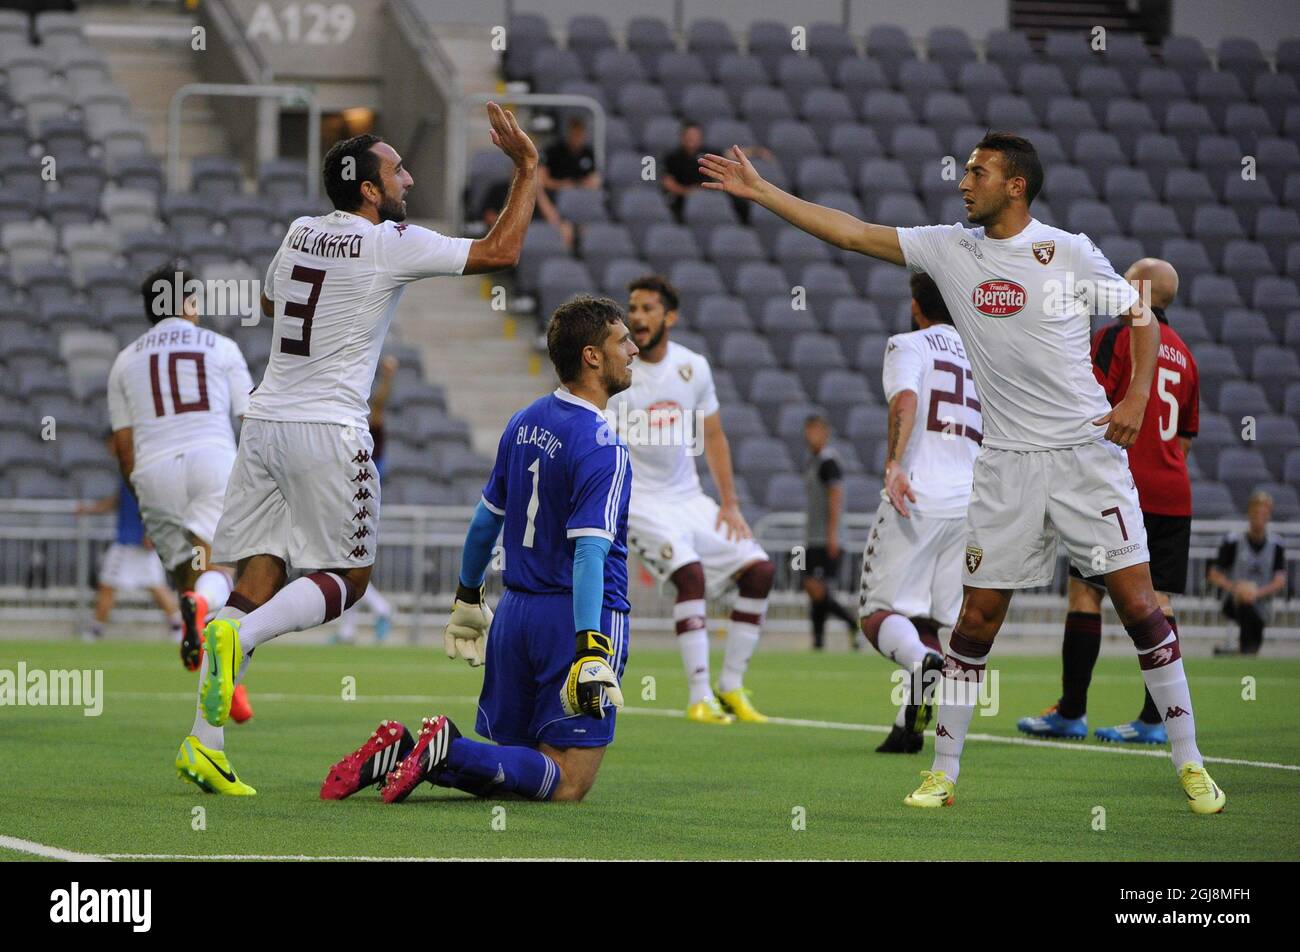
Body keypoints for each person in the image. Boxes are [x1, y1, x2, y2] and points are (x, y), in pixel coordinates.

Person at [699, 131, 1225, 814]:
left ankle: (1190, 762)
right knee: (975, 621)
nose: (962, 183)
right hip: (1004, 464)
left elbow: (1141, 310)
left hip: (1083, 457)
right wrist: (765, 194)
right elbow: (854, 234)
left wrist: (1131, 395)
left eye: (977, 172)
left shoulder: (1066, 250)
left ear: (1015, 185)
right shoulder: (951, 248)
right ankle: (943, 771)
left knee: (1140, 605)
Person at [174, 104, 539, 797]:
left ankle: (204, 742)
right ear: (370, 191)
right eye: (396, 169)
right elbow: (501, 252)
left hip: (265, 420)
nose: (406, 177)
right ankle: (239, 642)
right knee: (350, 581)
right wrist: (526, 168)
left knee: (254, 582)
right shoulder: (391, 241)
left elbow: (276, 302)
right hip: (327, 430)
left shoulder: (300, 231)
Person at [321, 296, 637, 803]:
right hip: (575, 617)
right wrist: (590, 647)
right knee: (567, 783)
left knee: (519, 770)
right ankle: (446, 749)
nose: (634, 349)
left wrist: (467, 597)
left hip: (514, 614)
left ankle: (405, 753)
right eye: (623, 340)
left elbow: (485, 518)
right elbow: (589, 554)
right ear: (592, 356)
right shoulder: (604, 445)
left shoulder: (524, 422)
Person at [1018, 258, 1198, 744]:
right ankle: (1156, 721)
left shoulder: (1118, 337)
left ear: (1137, 288)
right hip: (1173, 492)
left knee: (1085, 594)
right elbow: (1183, 438)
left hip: (1121, 488)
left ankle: (1071, 711)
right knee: (1159, 601)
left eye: (1125, 277)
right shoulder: (1185, 354)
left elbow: (1087, 402)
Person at [606, 275, 776, 725]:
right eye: (632, 309)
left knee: (760, 571)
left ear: (670, 317)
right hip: (640, 503)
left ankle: (731, 686)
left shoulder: (693, 367)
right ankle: (699, 696)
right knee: (691, 575)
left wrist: (730, 503)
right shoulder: (617, 372)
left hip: (689, 498)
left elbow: (715, 435)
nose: (637, 318)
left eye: (647, 309)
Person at [107, 264, 248, 689]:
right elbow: (250, 417)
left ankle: (225, 685)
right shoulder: (222, 348)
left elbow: (123, 447)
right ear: (186, 303)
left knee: (188, 570)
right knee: (218, 570)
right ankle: (202, 609)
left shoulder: (124, 361)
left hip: (153, 472)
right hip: (211, 461)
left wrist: (144, 497)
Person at [859, 272, 981, 754]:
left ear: (916, 306)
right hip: (970, 499)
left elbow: (905, 399)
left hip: (918, 494)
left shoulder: (908, 344)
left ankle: (918, 663)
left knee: (877, 612)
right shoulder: (980, 358)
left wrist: (894, 462)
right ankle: (906, 727)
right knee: (930, 616)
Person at [76, 435, 182, 644]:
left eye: (111, 441)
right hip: (135, 539)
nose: (108, 447)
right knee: (155, 585)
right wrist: (89, 510)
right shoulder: (129, 468)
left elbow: (153, 500)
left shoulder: (136, 469)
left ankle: (95, 631)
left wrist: (149, 531)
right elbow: (116, 501)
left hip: (131, 540)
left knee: (107, 583)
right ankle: (180, 627)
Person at [335, 355, 397, 644]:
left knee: (345, 567)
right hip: (349, 503)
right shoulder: (348, 433)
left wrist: (387, 378)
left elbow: (380, 407)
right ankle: (351, 627)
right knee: (344, 568)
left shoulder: (368, 432)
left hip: (361, 505)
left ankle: (379, 610)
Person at [800, 414, 857, 651]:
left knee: (816, 587)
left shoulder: (828, 462)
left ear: (826, 433)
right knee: (814, 590)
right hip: (813, 536)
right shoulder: (812, 461)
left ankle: (853, 624)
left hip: (826, 537)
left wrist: (833, 535)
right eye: (808, 430)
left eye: (815, 430)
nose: (810, 435)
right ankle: (818, 641)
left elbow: (835, 498)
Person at [1208, 490, 1286, 656]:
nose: (1259, 517)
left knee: (1250, 606)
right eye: (1256, 512)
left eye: (1264, 513)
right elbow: (1214, 574)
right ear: (1249, 513)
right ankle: (1248, 650)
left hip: (1261, 601)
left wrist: (1256, 592)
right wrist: (1238, 589)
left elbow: (1280, 580)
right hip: (1233, 600)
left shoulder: (1276, 545)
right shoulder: (1233, 541)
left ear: (1269, 515)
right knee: (1245, 604)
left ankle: (1242, 651)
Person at [541, 116, 600, 192]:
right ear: (569, 134)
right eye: (574, 134)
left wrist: (579, 184)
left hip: (579, 191)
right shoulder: (554, 151)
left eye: (579, 135)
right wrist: (561, 184)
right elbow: (543, 180)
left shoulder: (588, 153)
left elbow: (594, 178)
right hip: (556, 192)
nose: (577, 139)